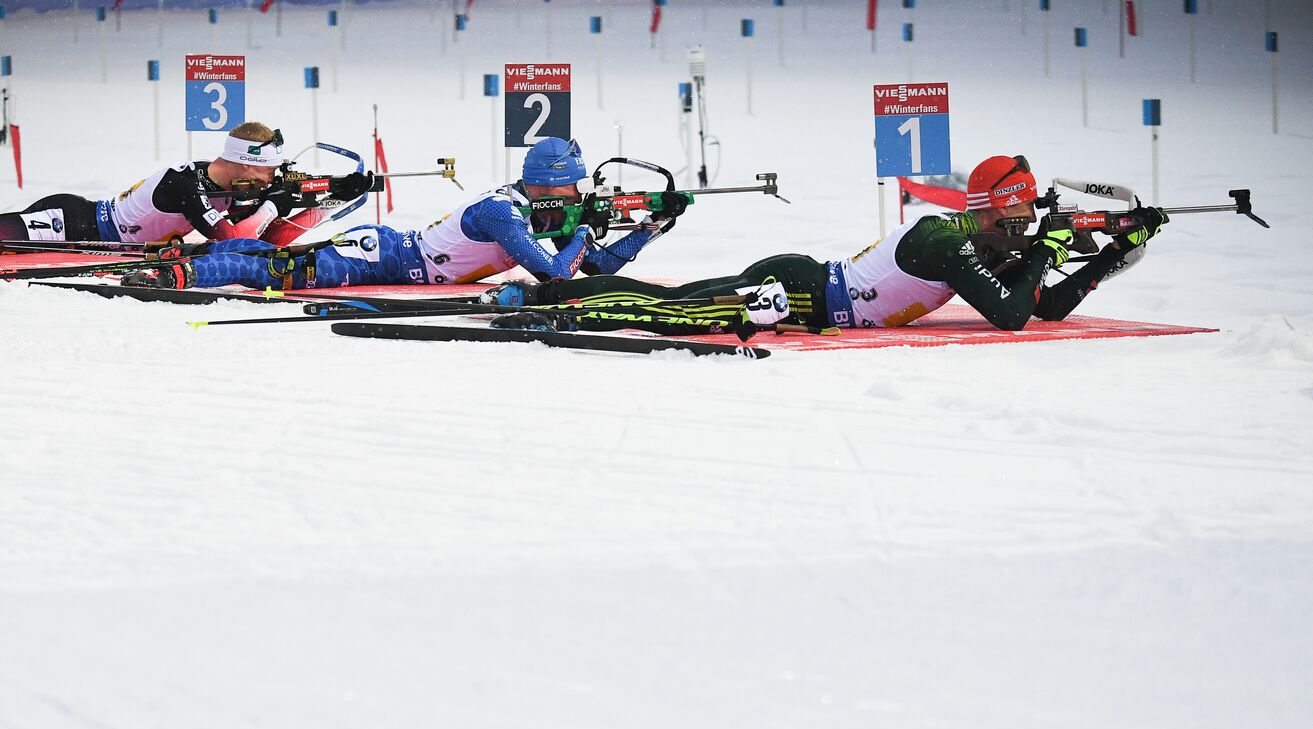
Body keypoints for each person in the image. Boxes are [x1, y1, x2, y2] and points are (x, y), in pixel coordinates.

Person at [485, 154, 1169, 334]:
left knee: (673, 300)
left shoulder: (978, 243)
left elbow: (1042, 308)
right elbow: (1013, 314)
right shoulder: (945, 241)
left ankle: (538, 292)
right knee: (666, 310)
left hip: (806, 290)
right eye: (1022, 216)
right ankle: (546, 303)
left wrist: (1109, 255)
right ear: (997, 212)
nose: (1029, 225)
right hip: (798, 291)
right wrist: (1049, 249)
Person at [118, 137, 681, 291]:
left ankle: (189, 254)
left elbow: (596, 266)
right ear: (551, 184)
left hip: (399, 257)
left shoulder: (535, 210)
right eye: (574, 186)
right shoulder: (504, 213)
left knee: (278, 258)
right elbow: (558, 272)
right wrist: (585, 228)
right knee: (282, 271)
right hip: (384, 256)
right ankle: (184, 270)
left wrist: (650, 228)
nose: (579, 195)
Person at [0, 122, 356, 246]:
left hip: (97, 232)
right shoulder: (186, 184)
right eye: (269, 171)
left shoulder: (228, 188)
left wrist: (327, 203)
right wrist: (275, 204)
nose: (272, 179)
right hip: (72, 222)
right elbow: (233, 240)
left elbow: (269, 238)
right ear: (245, 164)